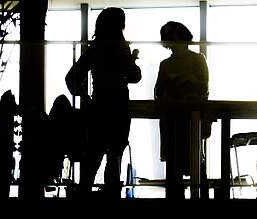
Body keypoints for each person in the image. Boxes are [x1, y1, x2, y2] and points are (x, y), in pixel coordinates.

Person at [66, 7, 141, 198]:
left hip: (98, 107)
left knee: (93, 156)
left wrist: (86, 98)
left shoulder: (95, 48)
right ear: (120, 25)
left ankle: (84, 192)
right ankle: (112, 193)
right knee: (115, 155)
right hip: (118, 106)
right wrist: (132, 58)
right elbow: (134, 76)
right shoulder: (120, 47)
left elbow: (71, 78)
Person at [154, 21, 210, 199]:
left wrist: (178, 85)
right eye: (167, 34)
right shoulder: (165, 64)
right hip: (174, 117)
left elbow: (203, 89)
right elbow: (158, 92)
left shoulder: (197, 59)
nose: (170, 37)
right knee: (175, 164)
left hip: (189, 117)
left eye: (172, 33)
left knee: (193, 162)